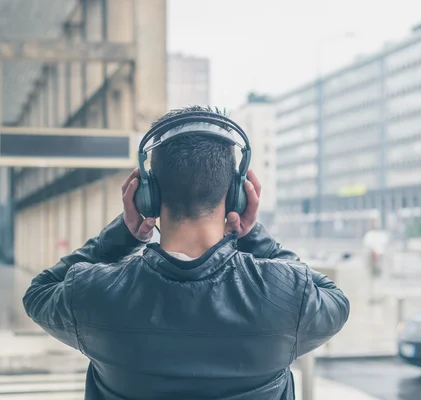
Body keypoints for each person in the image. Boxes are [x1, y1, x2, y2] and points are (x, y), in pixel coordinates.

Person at [23, 106, 350, 400]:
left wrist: (123, 234)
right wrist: (252, 235)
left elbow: (38, 293)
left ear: (147, 196)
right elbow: (335, 301)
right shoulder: (287, 295)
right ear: (236, 194)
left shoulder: (94, 293)